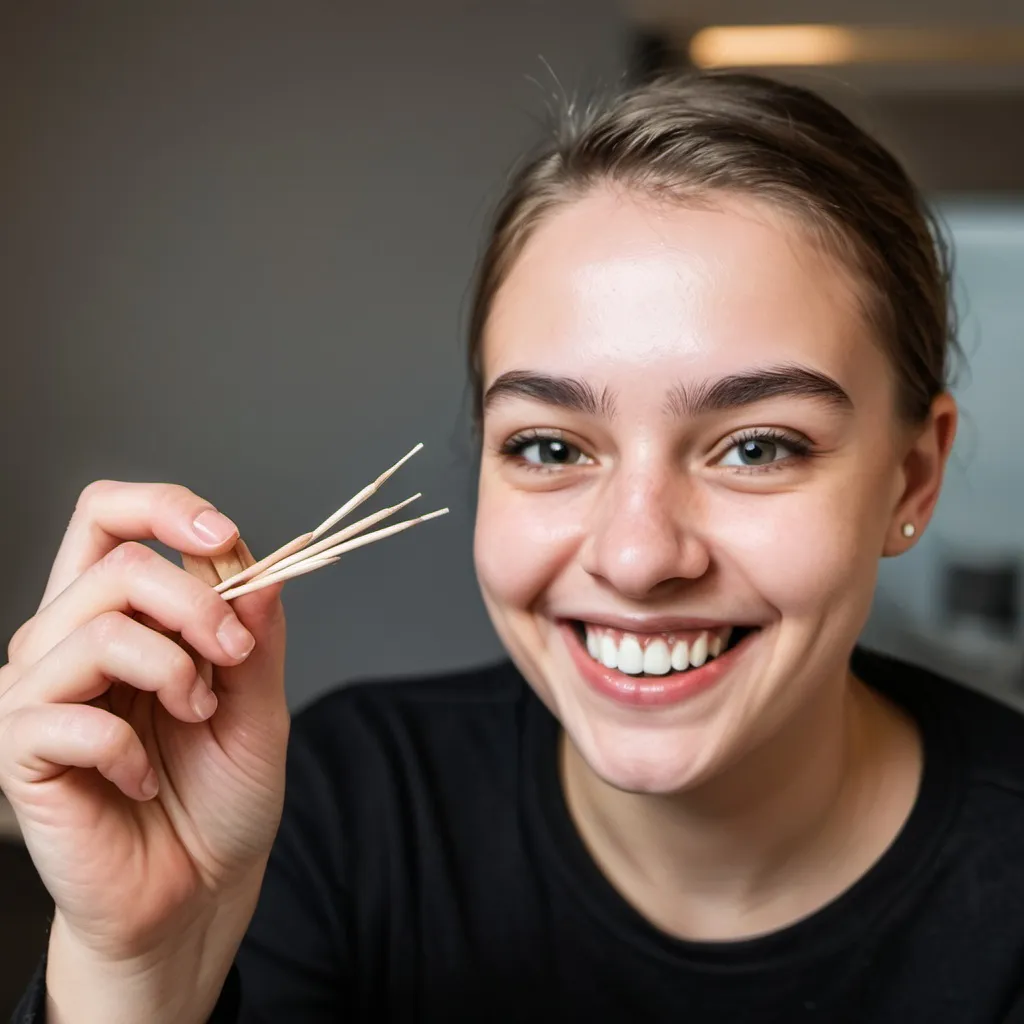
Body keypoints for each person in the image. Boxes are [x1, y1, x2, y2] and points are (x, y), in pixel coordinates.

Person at [6, 70, 1024, 1024]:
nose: (635, 556)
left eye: (756, 446)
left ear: (911, 477)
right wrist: (137, 976)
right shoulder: (344, 812)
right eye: (549, 446)